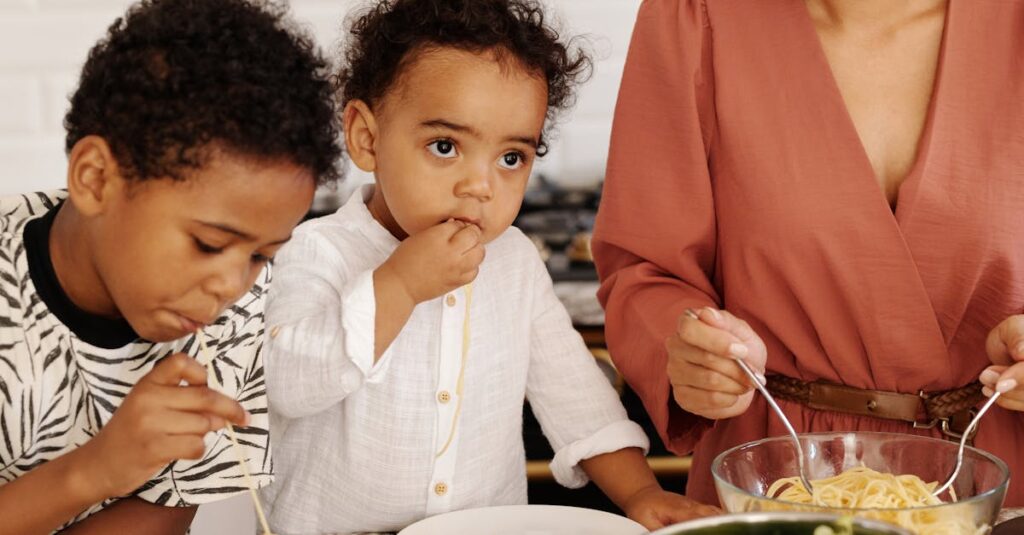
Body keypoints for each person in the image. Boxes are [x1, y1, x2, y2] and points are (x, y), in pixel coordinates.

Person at [258, 0, 720, 532]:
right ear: (367, 138)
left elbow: (575, 395)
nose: (480, 186)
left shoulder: (514, 262)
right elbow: (289, 385)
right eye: (445, 146)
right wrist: (399, 286)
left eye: (511, 158)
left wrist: (641, 494)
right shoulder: (316, 251)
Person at [592, 0, 1024, 507]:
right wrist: (691, 349)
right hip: (775, 475)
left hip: (1000, 474)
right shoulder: (692, 17)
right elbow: (644, 270)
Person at [0, 0, 342, 532]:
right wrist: (96, 470)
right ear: (95, 179)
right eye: (208, 244)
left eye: (260, 255)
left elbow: (160, 520)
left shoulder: (237, 314)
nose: (231, 285)